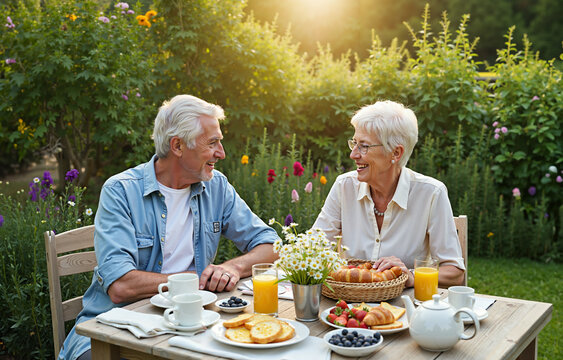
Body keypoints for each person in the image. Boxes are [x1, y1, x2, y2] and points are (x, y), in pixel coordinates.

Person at [60, 95, 278, 360]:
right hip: (113, 328)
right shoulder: (122, 191)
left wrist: (232, 267)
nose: (221, 153)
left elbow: (271, 245)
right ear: (177, 145)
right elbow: (120, 286)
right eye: (212, 143)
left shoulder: (216, 187)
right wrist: (196, 283)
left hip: (191, 323)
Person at [313, 100, 465, 288]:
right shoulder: (344, 186)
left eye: (364, 146)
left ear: (396, 153)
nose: (353, 154)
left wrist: (411, 276)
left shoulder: (431, 193)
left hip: (405, 308)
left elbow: (455, 273)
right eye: (354, 143)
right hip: (347, 306)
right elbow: (313, 250)